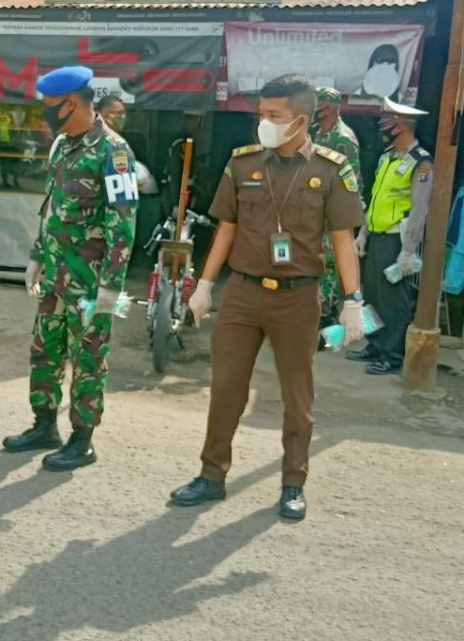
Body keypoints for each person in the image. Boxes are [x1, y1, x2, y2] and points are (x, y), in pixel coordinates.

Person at [169, 74, 365, 521]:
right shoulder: (242, 165)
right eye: (261, 114)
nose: (263, 123)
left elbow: (342, 240)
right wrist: (203, 285)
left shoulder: (331, 170)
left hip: (297, 299)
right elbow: (227, 229)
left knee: (297, 396)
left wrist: (353, 299)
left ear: (299, 121)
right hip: (241, 293)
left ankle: (293, 482)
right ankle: (211, 475)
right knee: (225, 390)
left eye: (272, 116)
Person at [1, 66, 138, 472]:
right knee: (45, 350)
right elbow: (52, 207)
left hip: (91, 283)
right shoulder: (62, 145)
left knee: (89, 359)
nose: (45, 114)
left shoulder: (114, 152)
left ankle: (82, 440)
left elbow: (123, 221)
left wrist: (112, 285)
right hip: (56, 277)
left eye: (49, 107)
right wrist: (36, 255)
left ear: (72, 103)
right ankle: (45, 425)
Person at [347, 97, 432, 375]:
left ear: (401, 127)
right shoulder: (387, 157)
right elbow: (376, 199)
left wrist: (409, 249)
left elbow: (419, 210)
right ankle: (374, 343)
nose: (381, 127)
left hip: (397, 239)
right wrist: (363, 233)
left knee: (394, 301)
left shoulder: (421, 163)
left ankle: (392, 354)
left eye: (387, 122)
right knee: (372, 295)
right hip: (376, 236)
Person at [311, 87, 362, 336]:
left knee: (330, 267)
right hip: (314, 214)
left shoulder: (343, 138)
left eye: (317, 105)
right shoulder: (318, 134)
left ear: (328, 107)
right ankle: (316, 320)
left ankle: (328, 326)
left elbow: (353, 182)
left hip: (334, 215)